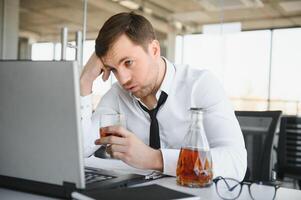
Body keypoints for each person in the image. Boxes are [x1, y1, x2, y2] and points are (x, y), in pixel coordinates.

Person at [80, 12, 247, 181]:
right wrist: (85, 80)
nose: (123, 79)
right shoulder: (117, 95)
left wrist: (155, 158)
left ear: (154, 50)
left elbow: (235, 162)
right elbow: (82, 149)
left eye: (128, 62)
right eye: (113, 69)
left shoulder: (200, 85)